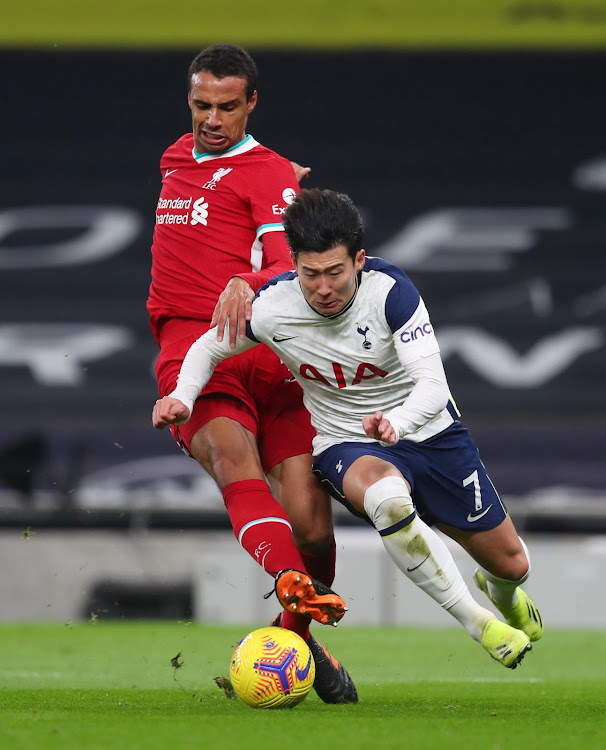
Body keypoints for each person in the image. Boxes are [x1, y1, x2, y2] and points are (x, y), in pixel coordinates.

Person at [153, 188, 545, 670]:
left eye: (335, 272)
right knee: (387, 500)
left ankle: (501, 593)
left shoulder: (392, 292)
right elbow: (208, 348)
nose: (323, 288)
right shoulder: (274, 306)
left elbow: (432, 385)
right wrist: (183, 396)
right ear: (293, 263)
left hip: (431, 434)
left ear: (359, 260)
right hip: (346, 442)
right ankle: (477, 621)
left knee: (512, 564)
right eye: (310, 273)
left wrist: (395, 422)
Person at [147, 45, 357, 703]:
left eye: (227, 106)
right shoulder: (175, 158)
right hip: (194, 347)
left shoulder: (268, 175)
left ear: (252, 103)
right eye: (201, 104)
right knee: (234, 461)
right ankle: (296, 598)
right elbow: (223, 183)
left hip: (270, 353)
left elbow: (283, 257)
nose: (211, 118)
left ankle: (294, 628)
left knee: (313, 524)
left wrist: (246, 273)